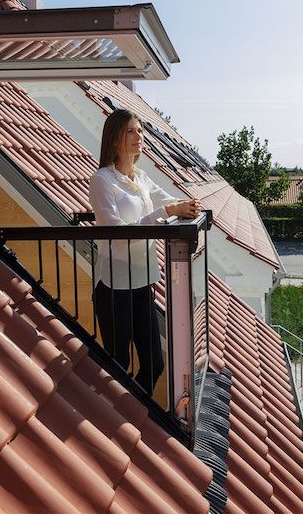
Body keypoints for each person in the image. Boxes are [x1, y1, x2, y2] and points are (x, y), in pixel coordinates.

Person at [88, 109, 201, 395]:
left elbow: (170, 201)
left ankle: (134, 414)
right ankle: (121, 422)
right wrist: (166, 211)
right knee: (119, 364)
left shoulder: (141, 178)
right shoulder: (102, 180)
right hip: (114, 287)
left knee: (154, 363)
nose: (139, 136)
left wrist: (190, 206)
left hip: (141, 284)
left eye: (140, 131)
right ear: (114, 139)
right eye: (131, 131)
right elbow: (118, 234)